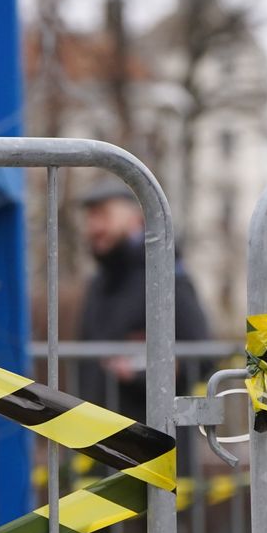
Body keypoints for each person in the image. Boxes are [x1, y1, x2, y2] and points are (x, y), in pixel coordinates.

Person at [75, 177, 210, 424]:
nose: (94, 227)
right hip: (101, 442)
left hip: (156, 446)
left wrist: (140, 373)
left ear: (137, 219)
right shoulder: (100, 283)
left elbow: (201, 356)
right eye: (90, 218)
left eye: (103, 215)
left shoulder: (167, 277)